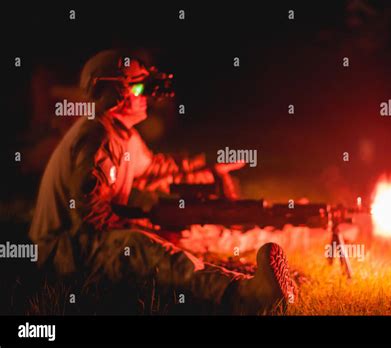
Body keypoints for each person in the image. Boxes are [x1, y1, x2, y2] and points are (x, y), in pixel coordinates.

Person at [29, 49, 296, 314]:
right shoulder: (95, 137)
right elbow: (90, 219)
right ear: (112, 92)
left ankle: (259, 269)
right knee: (142, 247)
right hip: (62, 249)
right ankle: (245, 297)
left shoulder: (120, 134)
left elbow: (155, 168)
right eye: (138, 88)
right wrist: (145, 225)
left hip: (80, 240)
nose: (147, 96)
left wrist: (204, 166)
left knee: (175, 235)